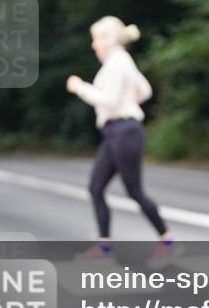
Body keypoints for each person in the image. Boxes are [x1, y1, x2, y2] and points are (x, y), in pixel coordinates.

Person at [66, 16, 177, 264]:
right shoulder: (121, 62)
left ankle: (167, 240)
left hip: (124, 130)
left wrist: (80, 87)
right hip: (117, 130)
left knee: (134, 191)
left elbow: (109, 101)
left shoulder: (117, 63)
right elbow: (145, 90)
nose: (93, 45)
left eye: (96, 39)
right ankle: (105, 245)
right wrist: (128, 102)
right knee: (96, 187)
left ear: (108, 39)